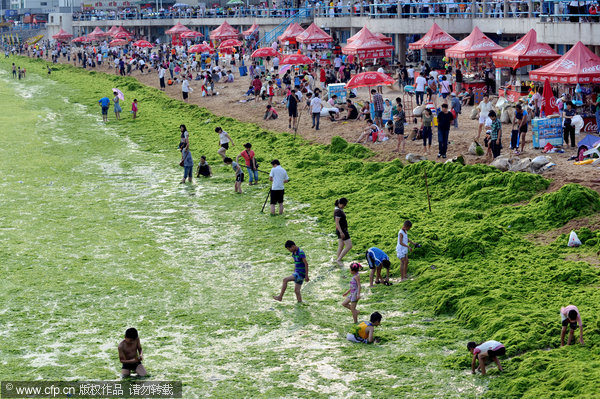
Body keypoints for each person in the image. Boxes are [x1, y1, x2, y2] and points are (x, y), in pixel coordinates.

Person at [334, 198, 352, 266]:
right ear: (339, 204)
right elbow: (337, 222)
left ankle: (338, 259)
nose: (344, 206)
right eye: (344, 204)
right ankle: (339, 260)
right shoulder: (338, 211)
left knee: (341, 245)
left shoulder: (337, 209)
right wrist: (341, 232)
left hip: (339, 230)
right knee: (349, 245)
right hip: (342, 230)